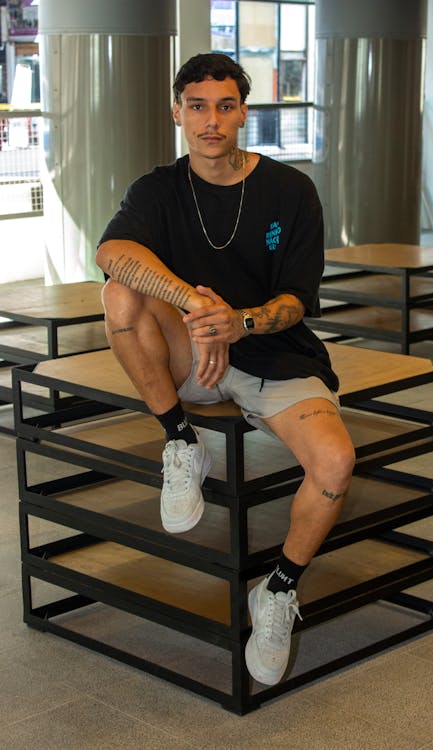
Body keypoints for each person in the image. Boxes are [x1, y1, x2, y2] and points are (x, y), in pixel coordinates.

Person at [96, 52, 355, 687]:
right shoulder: (158, 188)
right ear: (177, 112)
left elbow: (297, 299)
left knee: (336, 464)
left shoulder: (290, 191)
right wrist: (193, 301)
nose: (211, 121)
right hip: (194, 357)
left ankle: (277, 591)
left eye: (225, 106)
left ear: (243, 112)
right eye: (197, 106)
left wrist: (241, 321)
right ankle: (181, 444)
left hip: (273, 354)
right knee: (118, 295)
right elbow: (109, 250)